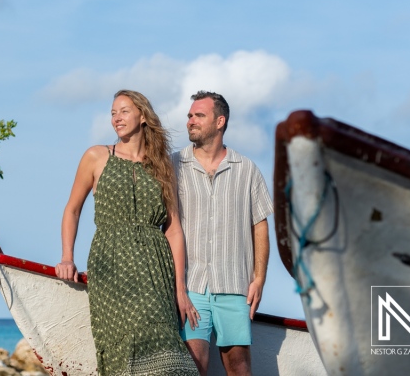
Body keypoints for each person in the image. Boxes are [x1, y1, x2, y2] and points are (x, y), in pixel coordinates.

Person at [55, 90, 198, 376]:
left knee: (165, 342)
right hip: (111, 265)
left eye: (123, 111)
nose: (116, 119)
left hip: (154, 267)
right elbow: (72, 210)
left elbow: (173, 228)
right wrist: (67, 257)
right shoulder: (96, 156)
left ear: (142, 116)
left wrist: (180, 289)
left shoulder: (162, 166)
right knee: (121, 342)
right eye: (112, 113)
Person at [173, 91, 273, 376]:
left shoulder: (247, 169)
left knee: (239, 368)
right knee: (192, 366)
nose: (191, 120)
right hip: (190, 285)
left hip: (234, 285)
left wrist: (260, 278)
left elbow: (260, 225)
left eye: (198, 115)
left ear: (220, 121)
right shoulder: (173, 165)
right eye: (190, 115)